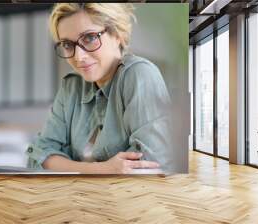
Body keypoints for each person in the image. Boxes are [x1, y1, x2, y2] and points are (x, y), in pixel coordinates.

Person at [26, 3, 172, 174]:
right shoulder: (71, 86)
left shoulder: (139, 74)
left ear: (117, 34)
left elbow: (149, 164)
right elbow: (39, 156)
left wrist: (69, 166)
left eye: (89, 38)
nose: (79, 57)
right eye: (67, 44)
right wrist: (101, 169)